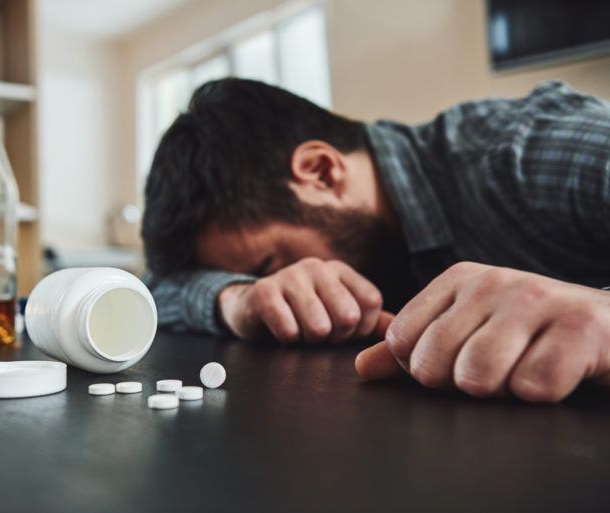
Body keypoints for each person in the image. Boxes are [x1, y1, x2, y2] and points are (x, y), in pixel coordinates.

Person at [141, 78, 610, 403]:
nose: (284, 283)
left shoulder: (531, 150)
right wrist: (236, 296)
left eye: (268, 264)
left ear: (321, 171)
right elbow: (154, 289)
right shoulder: (262, 278)